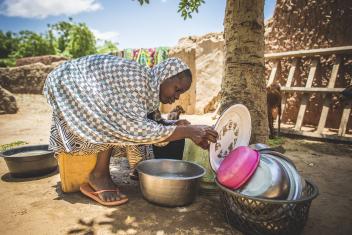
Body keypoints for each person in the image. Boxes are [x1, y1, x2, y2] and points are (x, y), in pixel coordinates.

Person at [43, 55, 218, 206]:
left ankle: (138, 170)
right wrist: (189, 132)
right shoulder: (139, 81)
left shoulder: (148, 87)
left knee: (127, 120)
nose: (177, 96)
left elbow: (149, 123)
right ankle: (99, 174)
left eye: (181, 93)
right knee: (115, 119)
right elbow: (134, 127)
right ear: (166, 76)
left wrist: (175, 126)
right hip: (68, 79)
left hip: (75, 79)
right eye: (177, 89)